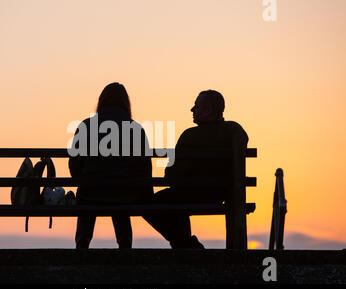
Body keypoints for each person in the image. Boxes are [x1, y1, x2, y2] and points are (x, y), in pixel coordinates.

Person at [143, 90, 249, 249]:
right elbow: (242, 138)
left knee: (149, 204)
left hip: (189, 194)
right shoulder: (233, 130)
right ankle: (185, 245)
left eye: (196, 106)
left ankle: (186, 245)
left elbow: (171, 175)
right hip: (218, 194)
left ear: (208, 110)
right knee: (176, 200)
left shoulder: (190, 135)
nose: (192, 110)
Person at [69, 82, 153, 249]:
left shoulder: (86, 126)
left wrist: (83, 180)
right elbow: (144, 168)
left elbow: (75, 165)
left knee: (90, 192)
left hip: (90, 194)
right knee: (119, 194)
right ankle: (125, 245)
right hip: (125, 195)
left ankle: (81, 245)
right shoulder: (135, 129)